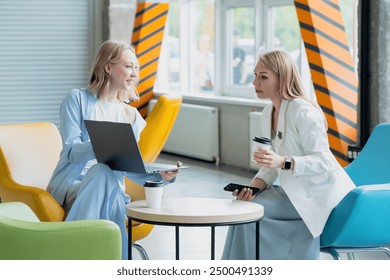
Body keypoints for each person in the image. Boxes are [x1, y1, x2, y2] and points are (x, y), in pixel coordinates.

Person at [47, 40, 179, 260]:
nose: (134, 73)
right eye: (128, 66)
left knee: (106, 174)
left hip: (110, 186)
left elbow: (126, 168)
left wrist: (160, 176)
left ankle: (72, 254)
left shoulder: (132, 117)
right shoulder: (76, 99)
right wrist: (103, 142)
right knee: (103, 172)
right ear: (108, 67)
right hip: (72, 185)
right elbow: (70, 152)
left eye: (136, 68)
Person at [222, 50, 356, 260]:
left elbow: (324, 162)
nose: (255, 82)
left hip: (321, 196)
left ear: (282, 78)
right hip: (296, 192)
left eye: (263, 77)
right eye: (255, 75)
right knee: (243, 206)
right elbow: (269, 165)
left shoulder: (303, 111)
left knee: (248, 214)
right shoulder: (268, 113)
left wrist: (283, 162)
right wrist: (252, 189)